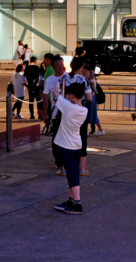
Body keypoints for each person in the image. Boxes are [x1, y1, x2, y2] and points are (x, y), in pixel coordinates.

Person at [52, 81, 89, 215]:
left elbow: (55, 93)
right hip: (76, 145)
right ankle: (70, 200)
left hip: (65, 145)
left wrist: (56, 84)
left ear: (72, 95)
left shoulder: (68, 107)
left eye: (69, 95)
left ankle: (77, 204)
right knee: (73, 173)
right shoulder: (84, 110)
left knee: (72, 174)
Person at [61, 57, 92, 175]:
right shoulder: (83, 80)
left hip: (67, 111)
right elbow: (89, 98)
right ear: (80, 68)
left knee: (66, 137)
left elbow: (59, 94)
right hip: (79, 111)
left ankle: (64, 168)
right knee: (82, 137)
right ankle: (82, 168)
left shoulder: (63, 78)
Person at [43, 56, 67, 166]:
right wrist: (45, 114)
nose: (61, 67)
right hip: (56, 113)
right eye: (57, 65)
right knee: (57, 136)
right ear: (53, 67)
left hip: (68, 113)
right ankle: (58, 159)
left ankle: (67, 159)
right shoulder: (49, 80)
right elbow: (46, 97)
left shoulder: (69, 77)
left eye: (62, 64)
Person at [85, 60, 104, 136]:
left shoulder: (92, 79)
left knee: (92, 114)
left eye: (85, 70)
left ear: (89, 71)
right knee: (87, 114)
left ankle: (100, 129)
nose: (84, 71)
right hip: (87, 98)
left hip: (92, 98)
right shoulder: (86, 77)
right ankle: (99, 129)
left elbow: (95, 89)